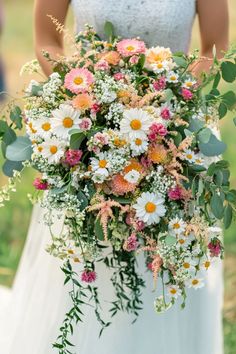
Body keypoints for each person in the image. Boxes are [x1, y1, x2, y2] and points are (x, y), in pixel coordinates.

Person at [0, 0, 229, 353]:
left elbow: (215, 46)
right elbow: (47, 35)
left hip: (171, 141)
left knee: (164, 268)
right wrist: (87, 101)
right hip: (89, 137)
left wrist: (166, 109)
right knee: (87, 265)